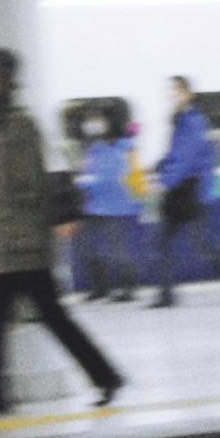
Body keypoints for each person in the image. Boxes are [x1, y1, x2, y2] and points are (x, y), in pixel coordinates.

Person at [0, 47, 121, 416]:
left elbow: (29, 187)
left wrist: (18, 232)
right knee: (50, 318)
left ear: (5, 81)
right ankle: (105, 377)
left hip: (22, 246)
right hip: (11, 245)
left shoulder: (19, 126)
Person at [148, 76, 220, 307]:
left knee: (206, 246)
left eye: (176, 92)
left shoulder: (193, 122)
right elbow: (175, 154)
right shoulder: (179, 121)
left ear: (188, 95)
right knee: (161, 243)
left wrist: (164, 181)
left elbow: (186, 159)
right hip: (179, 192)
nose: (172, 96)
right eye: (170, 93)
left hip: (193, 192)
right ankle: (166, 295)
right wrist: (157, 167)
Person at [70, 107, 145, 301]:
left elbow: (119, 176)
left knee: (117, 250)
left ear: (111, 122)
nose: (96, 125)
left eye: (100, 120)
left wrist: (86, 182)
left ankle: (129, 288)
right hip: (93, 204)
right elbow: (89, 171)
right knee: (87, 247)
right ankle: (100, 288)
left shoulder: (126, 148)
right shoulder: (96, 147)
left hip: (118, 206)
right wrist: (82, 181)